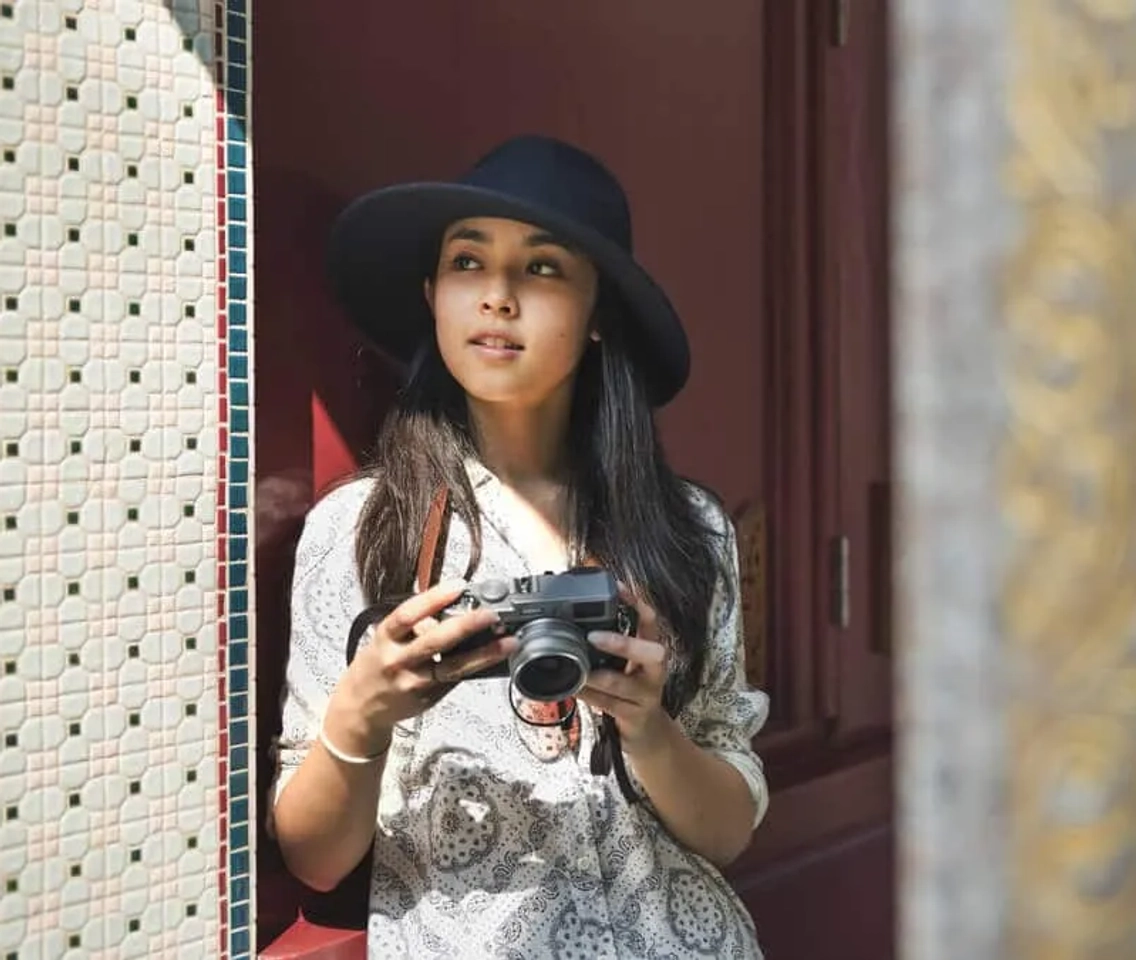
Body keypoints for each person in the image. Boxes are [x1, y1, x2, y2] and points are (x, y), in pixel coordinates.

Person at [270, 135, 770, 959]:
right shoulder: (363, 531)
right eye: (468, 262)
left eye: (541, 268)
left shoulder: (688, 530)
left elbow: (724, 834)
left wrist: (647, 727)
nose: (497, 296)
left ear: (600, 313)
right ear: (433, 293)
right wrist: (361, 715)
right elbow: (315, 860)